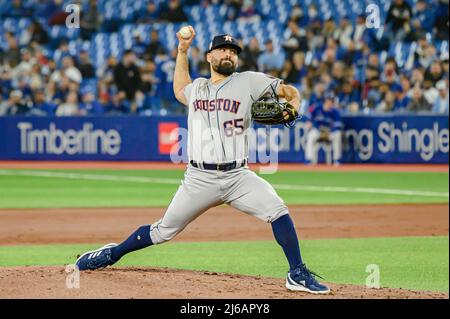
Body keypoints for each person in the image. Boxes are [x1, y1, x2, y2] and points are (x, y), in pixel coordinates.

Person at [75, 27, 330, 295]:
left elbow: (288, 91)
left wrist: (295, 104)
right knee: (163, 231)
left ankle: (297, 273)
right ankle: (112, 253)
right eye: (222, 49)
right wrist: (182, 50)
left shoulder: (250, 81)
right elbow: (179, 88)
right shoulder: (197, 88)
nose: (229, 54)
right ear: (209, 56)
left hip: (238, 176)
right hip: (199, 178)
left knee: (277, 209)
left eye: (233, 51)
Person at [305, 91, 343, 165]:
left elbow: (338, 125)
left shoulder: (335, 112)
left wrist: (330, 132)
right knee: (310, 136)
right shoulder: (317, 107)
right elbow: (310, 116)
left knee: (337, 135)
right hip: (318, 131)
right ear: (325, 100)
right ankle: (309, 159)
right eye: (329, 100)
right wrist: (309, 121)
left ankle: (337, 160)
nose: (330, 102)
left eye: (332, 101)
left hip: (330, 132)